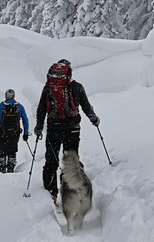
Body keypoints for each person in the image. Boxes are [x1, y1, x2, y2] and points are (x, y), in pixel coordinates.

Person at [34, 59, 99, 201]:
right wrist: (94, 119)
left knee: (51, 160)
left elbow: (41, 109)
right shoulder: (77, 87)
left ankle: (51, 193)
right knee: (71, 159)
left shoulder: (48, 88)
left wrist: (39, 127)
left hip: (53, 128)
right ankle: (71, 191)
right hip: (72, 128)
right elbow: (86, 106)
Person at [0, 89, 30, 173]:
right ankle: (11, 166)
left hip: (3, 133)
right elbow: (25, 120)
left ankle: (2, 167)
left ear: (5, 96)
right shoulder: (19, 107)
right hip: (15, 133)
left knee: (2, 150)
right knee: (12, 149)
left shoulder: (0, 106)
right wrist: (25, 133)